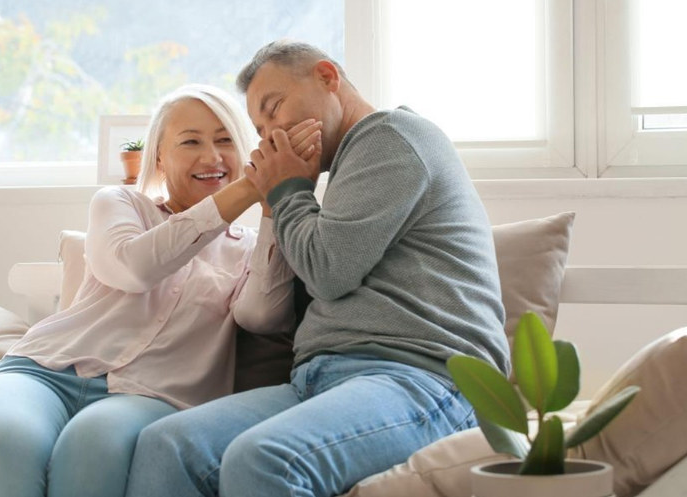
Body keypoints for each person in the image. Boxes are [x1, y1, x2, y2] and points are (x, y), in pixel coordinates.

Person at [124, 41, 512, 497]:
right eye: (261, 127)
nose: (272, 135)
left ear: (328, 78)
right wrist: (287, 197)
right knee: (167, 445)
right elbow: (307, 291)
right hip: (322, 380)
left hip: (425, 379)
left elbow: (328, 270)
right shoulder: (338, 179)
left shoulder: (390, 136)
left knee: (265, 459)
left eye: (275, 108)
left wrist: (288, 188)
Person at [0, 83, 314, 497]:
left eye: (225, 140)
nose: (211, 157)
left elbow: (263, 316)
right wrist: (249, 187)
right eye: (190, 141)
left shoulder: (252, 248)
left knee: (92, 447)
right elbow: (132, 268)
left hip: (153, 394)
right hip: (44, 370)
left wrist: (270, 209)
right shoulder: (120, 204)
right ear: (159, 156)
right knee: (5, 439)